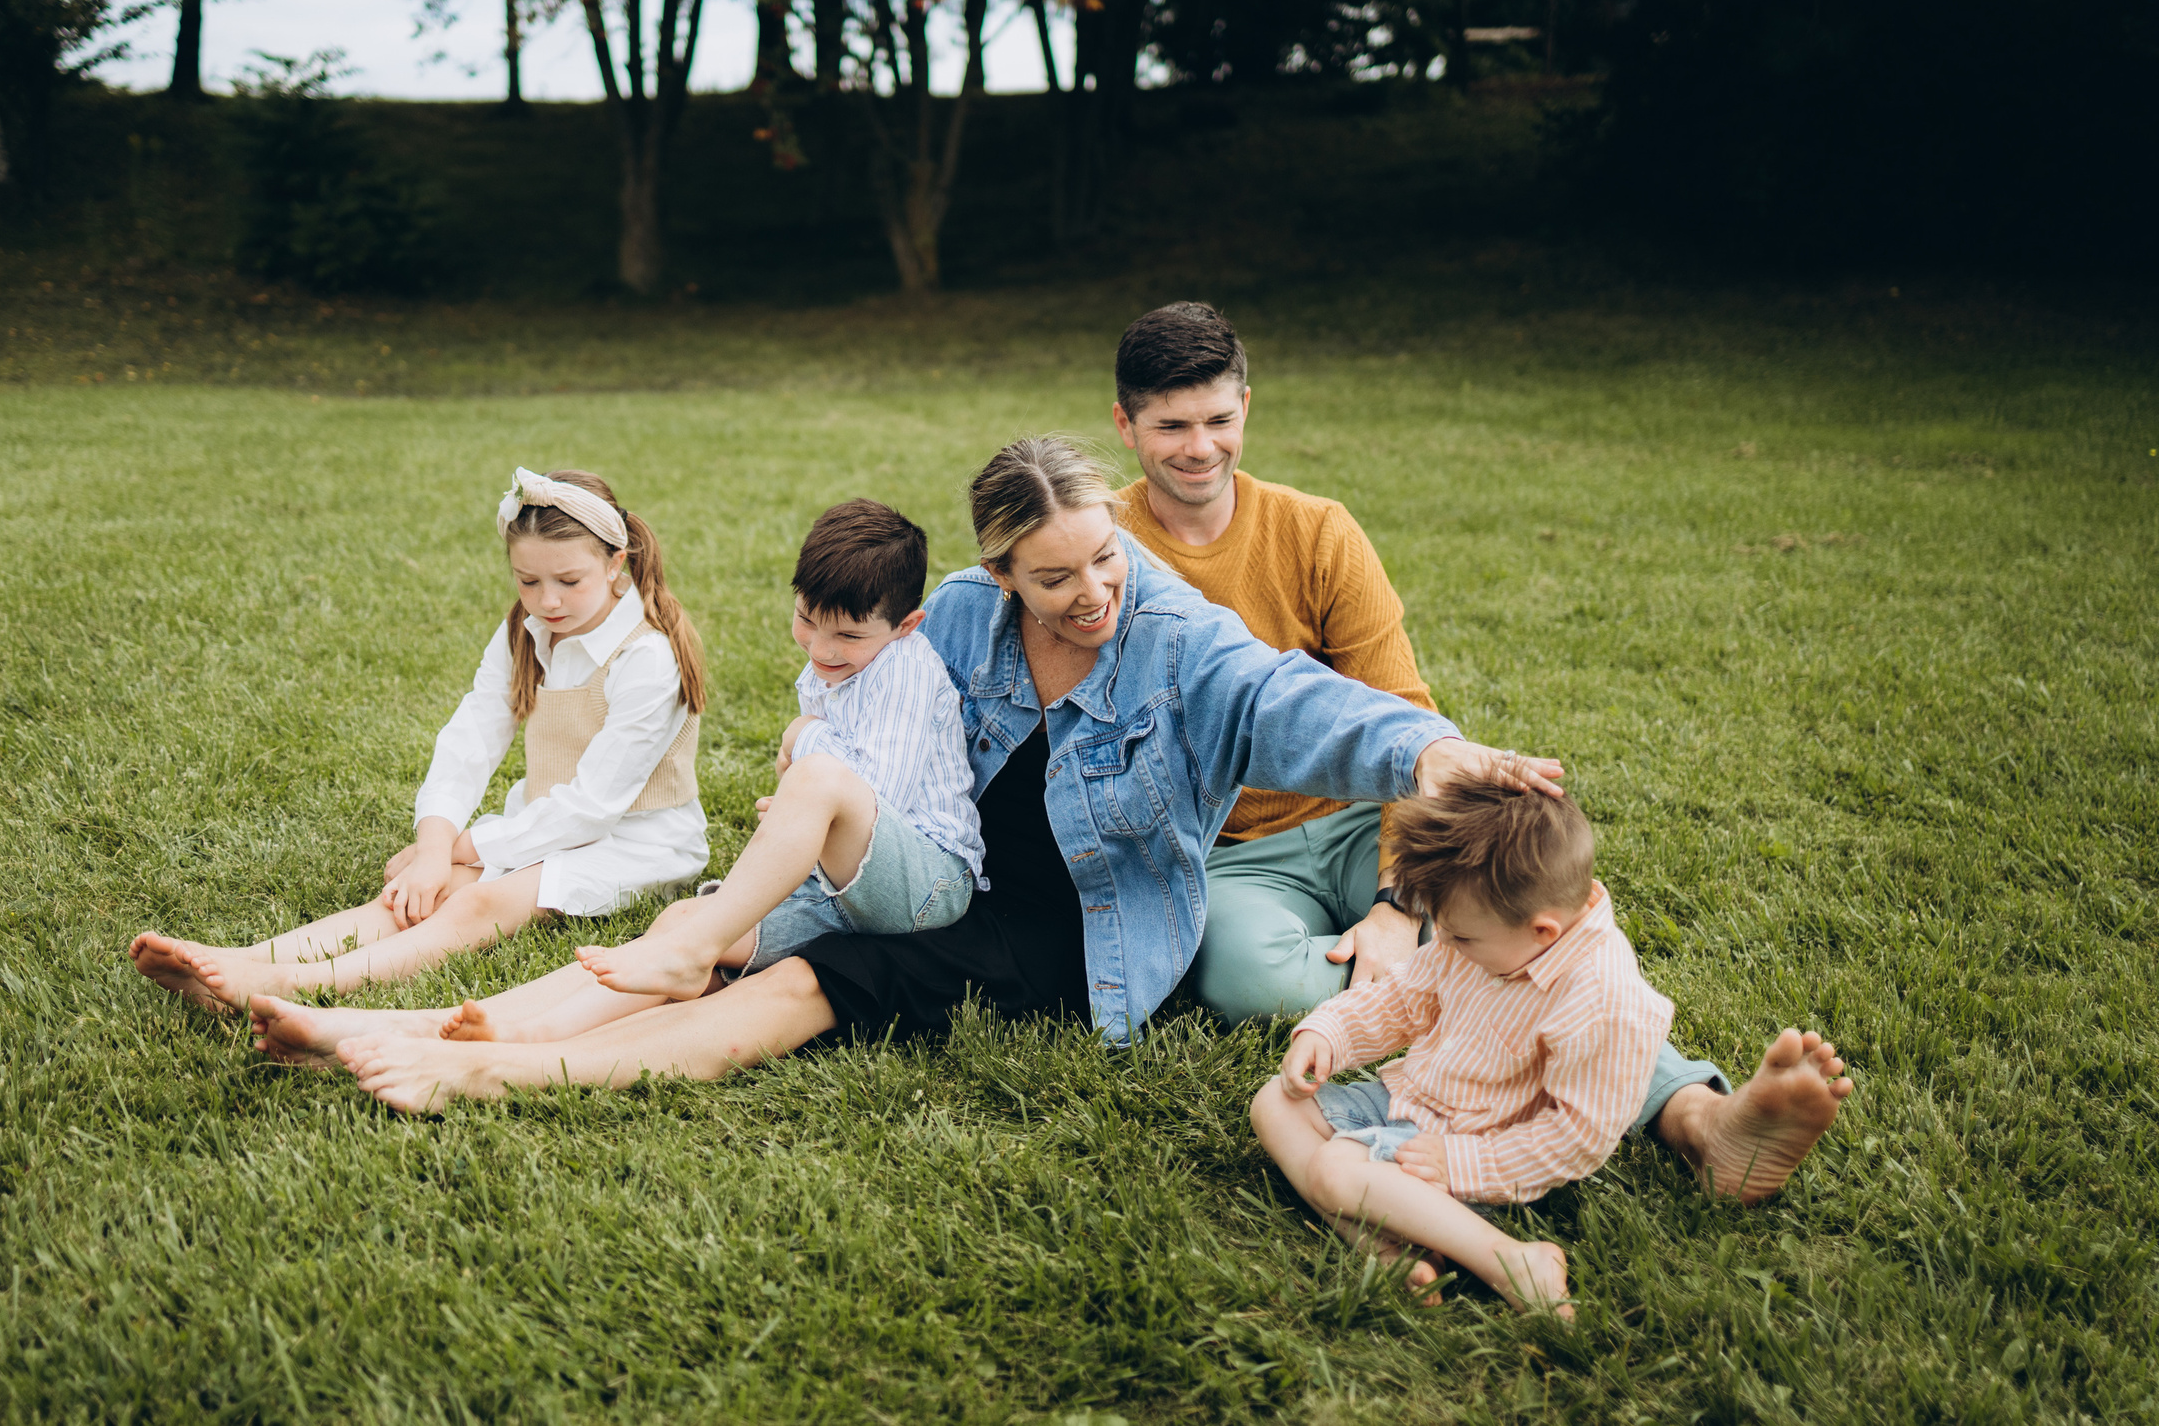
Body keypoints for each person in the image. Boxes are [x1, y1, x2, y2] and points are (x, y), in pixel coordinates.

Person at [242, 436, 1565, 1106]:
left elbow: (1298, 699)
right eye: (1055, 576)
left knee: (813, 978)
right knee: (724, 936)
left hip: (1067, 928)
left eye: (1105, 558)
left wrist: (1431, 745)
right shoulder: (962, 617)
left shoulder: (1177, 641)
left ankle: (485, 1068)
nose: (1093, 590)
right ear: (998, 573)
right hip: (934, 871)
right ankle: (388, 1028)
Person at [1111, 301, 1853, 1201]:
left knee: (1494, 923)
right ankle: (1480, 1029)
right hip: (1226, 852)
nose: (1200, 446)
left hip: (1362, 820)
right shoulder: (1104, 550)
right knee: (1243, 978)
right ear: (1125, 424)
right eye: (1172, 426)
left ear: (1248, 409)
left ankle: (1700, 1119)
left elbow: (1403, 714)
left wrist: (1393, 905)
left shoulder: (1316, 530)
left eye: (1219, 420)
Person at [127, 467, 709, 1010]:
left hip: (638, 844)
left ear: (615, 564)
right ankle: (245, 961)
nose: (547, 600)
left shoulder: (646, 658)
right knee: (423, 889)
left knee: (478, 900)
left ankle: (285, 983)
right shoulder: (528, 632)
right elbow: (470, 738)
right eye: (527, 580)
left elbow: (594, 808)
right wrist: (434, 849)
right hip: (547, 827)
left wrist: (463, 847)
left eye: (568, 580)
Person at [1250, 782, 1670, 1315]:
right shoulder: (1477, 931)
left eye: (1461, 938)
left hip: (1480, 1149)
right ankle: (1385, 1246)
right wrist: (1328, 1033)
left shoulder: (1604, 1000)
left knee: (1334, 1169)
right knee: (1273, 1103)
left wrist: (1461, 1161)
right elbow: (1404, 998)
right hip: (1409, 1103)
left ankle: (1511, 1259)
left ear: (1543, 932)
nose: (1442, 944)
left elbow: (1576, 1137)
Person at [577, 498, 983, 1002]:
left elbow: (877, 797)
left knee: (812, 781)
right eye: (807, 620)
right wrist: (800, 814)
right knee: (681, 920)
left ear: (907, 625)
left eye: (848, 635)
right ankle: (531, 1031)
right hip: (839, 887)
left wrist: (802, 733)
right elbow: (829, 792)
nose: (820, 650)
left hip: (927, 884)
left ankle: (689, 954)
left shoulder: (904, 669)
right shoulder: (844, 664)